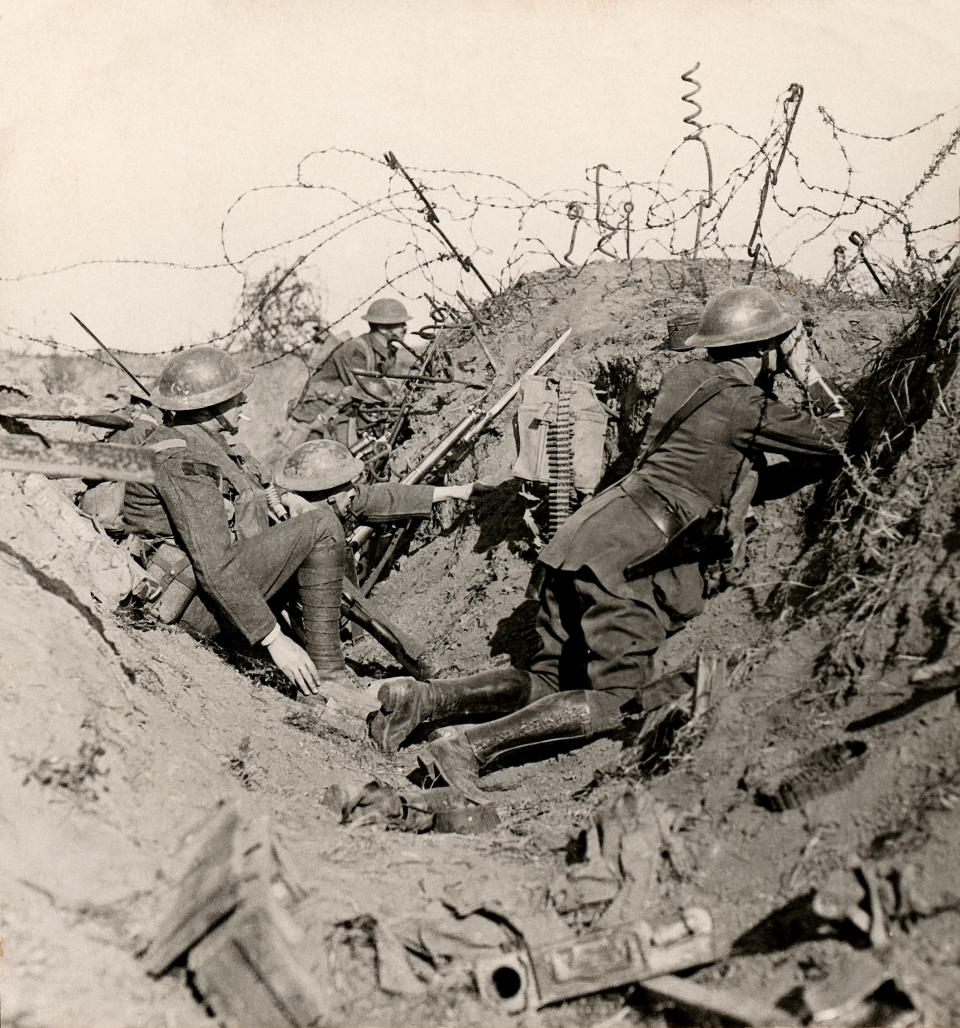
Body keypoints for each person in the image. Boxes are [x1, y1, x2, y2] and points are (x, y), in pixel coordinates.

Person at [368, 285, 852, 800]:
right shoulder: (743, 405)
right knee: (617, 700)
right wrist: (808, 374)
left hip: (582, 536)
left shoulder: (685, 377)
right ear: (767, 348)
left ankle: (424, 701)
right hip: (629, 559)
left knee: (551, 678)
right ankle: (465, 750)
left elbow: (718, 473)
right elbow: (838, 434)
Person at [123, 345, 349, 696]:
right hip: (191, 605)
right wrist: (274, 639)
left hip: (202, 592)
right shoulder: (180, 459)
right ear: (209, 407)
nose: (243, 401)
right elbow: (213, 563)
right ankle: (330, 679)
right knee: (320, 526)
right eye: (234, 396)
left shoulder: (201, 442)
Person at [284, 297, 422, 450]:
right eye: (400, 323)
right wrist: (404, 396)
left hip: (341, 415)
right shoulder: (355, 349)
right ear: (383, 328)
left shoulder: (388, 353)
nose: (405, 327)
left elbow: (388, 387)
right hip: (316, 417)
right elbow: (368, 388)